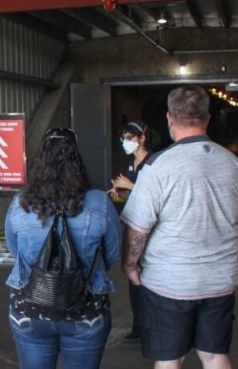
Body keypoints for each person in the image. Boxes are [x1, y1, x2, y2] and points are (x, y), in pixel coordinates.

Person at [121, 85, 238, 369]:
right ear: (207, 117)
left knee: (170, 359)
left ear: (170, 118)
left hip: (169, 284)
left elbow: (138, 229)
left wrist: (130, 266)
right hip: (220, 281)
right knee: (214, 355)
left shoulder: (158, 167)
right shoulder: (235, 165)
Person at [4, 128, 120, 369]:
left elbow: (16, 252)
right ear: (77, 160)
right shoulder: (99, 202)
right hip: (86, 309)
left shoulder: (20, 203)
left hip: (30, 308)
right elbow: (111, 253)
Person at [107, 121, 159, 343]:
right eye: (123, 139)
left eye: (129, 138)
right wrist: (119, 192)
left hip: (151, 230)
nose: (125, 143)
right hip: (133, 226)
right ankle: (139, 328)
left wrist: (130, 186)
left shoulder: (155, 163)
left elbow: (158, 197)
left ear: (142, 138)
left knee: (148, 278)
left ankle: (153, 328)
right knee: (133, 276)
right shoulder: (132, 163)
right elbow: (135, 197)